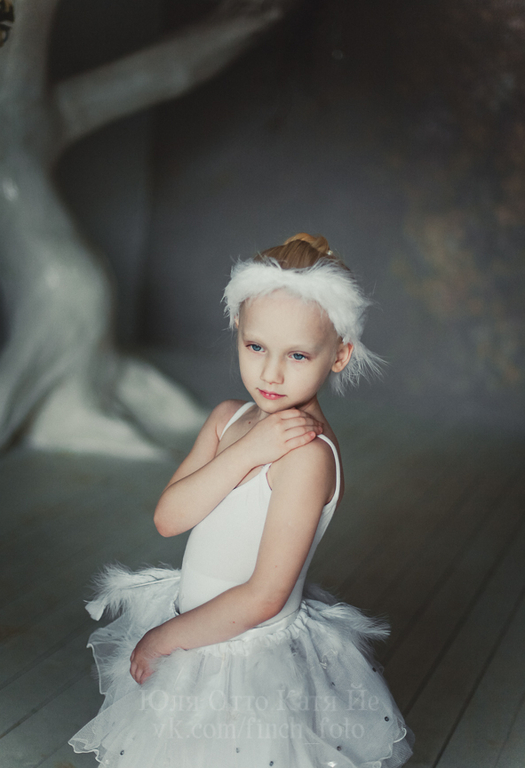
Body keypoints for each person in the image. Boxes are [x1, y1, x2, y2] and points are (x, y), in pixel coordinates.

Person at [69, 233, 414, 767]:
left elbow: (265, 596)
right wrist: (248, 450)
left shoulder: (307, 457)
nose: (271, 373)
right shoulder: (227, 419)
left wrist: (165, 638)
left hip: (245, 655)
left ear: (340, 354)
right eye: (256, 347)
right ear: (237, 329)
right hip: (196, 628)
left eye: (297, 355)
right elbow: (169, 518)